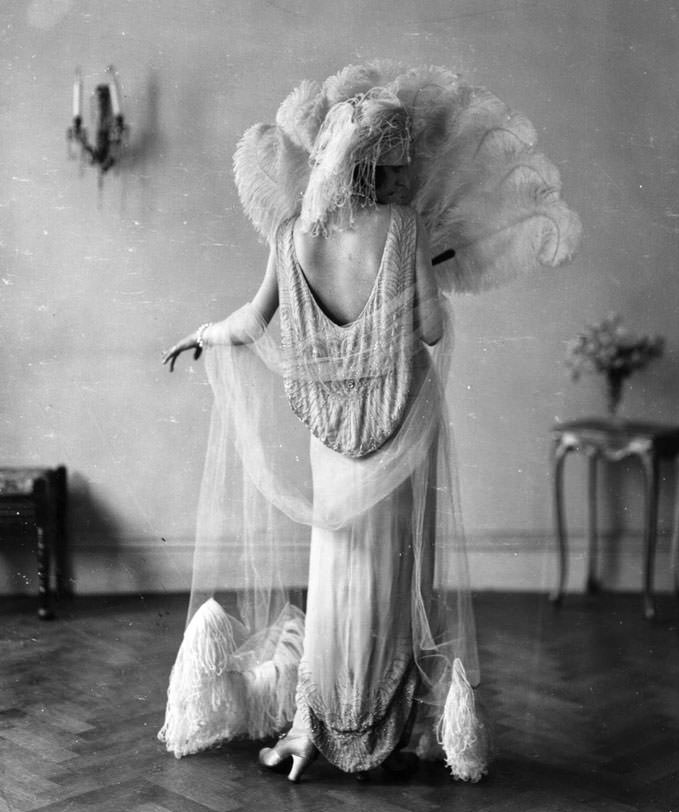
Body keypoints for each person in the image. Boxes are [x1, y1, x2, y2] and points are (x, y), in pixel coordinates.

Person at [159, 88, 487, 783]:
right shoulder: (403, 226)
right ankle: (380, 723)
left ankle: (323, 717)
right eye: (401, 166)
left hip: (330, 431)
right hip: (396, 422)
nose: (410, 178)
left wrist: (202, 336)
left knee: (337, 568)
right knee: (392, 570)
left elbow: (250, 322)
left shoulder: (293, 236)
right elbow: (427, 331)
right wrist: (420, 270)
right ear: (376, 168)